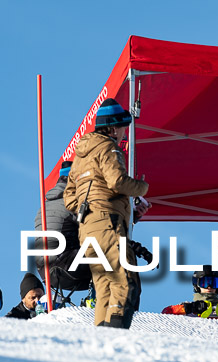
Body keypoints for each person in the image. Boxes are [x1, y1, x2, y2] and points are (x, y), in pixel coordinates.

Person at [64, 98, 150, 328]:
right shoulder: (108, 147)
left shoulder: (81, 156)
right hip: (108, 224)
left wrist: (89, 206)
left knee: (104, 286)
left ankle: (101, 337)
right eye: (123, 128)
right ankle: (115, 333)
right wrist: (142, 188)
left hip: (87, 229)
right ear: (112, 128)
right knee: (125, 280)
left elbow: (69, 197)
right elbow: (117, 181)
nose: (124, 133)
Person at [34, 160, 92, 295]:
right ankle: (113, 309)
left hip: (45, 273)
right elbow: (100, 229)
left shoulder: (43, 207)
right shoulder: (73, 204)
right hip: (66, 266)